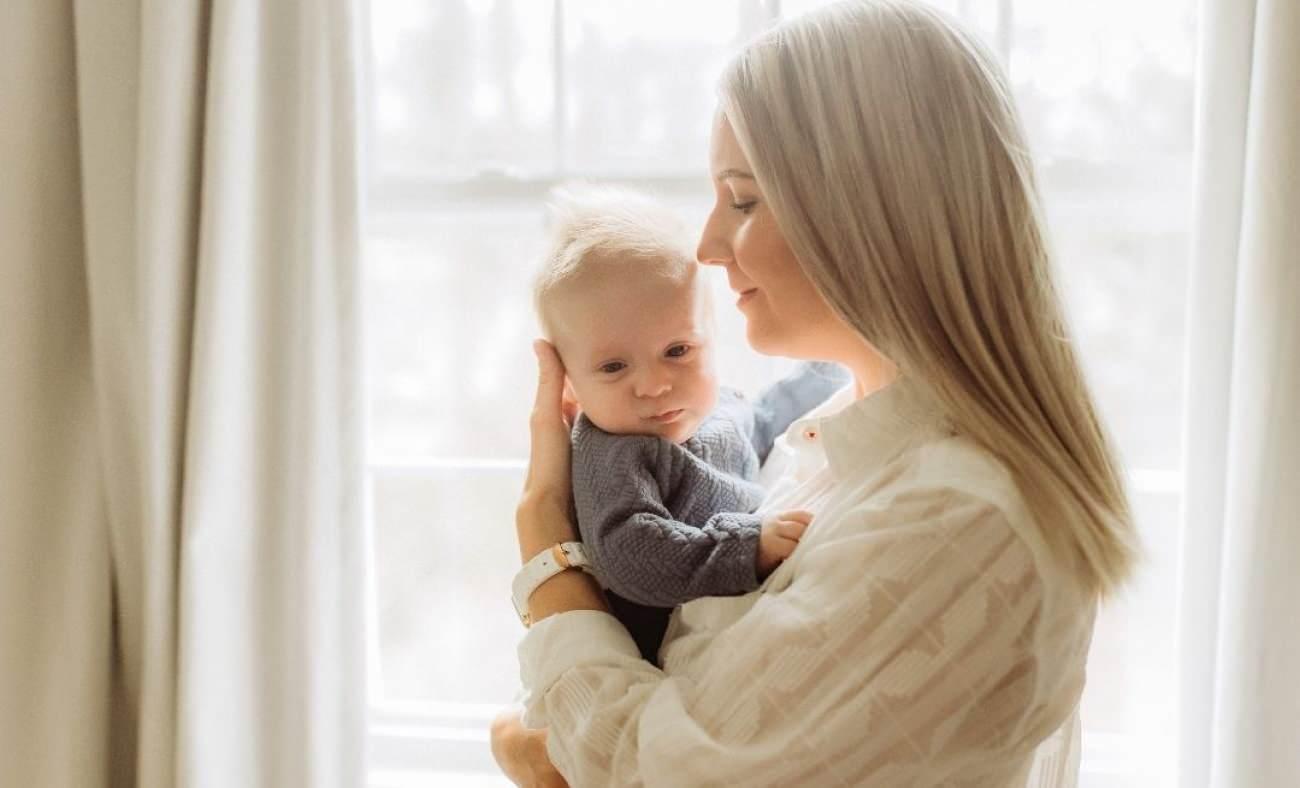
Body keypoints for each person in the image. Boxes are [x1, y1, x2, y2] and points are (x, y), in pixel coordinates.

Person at [493, 1, 1139, 785]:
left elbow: (654, 772)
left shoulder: (958, 517)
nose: (704, 246)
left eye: (742, 199)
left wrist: (548, 552)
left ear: (870, 213)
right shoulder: (831, 442)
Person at [530, 186, 848, 664]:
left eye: (677, 351)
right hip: (650, 664)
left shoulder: (716, 409)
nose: (656, 385)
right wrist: (745, 548)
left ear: (710, 340)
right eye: (614, 367)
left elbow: (763, 425)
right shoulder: (614, 452)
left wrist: (829, 364)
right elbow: (633, 553)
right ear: (569, 387)